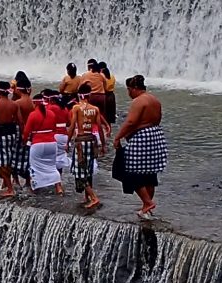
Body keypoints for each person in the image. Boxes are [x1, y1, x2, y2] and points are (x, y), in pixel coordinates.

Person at [111, 75, 167, 220]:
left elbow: (131, 122)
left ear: (134, 88)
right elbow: (158, 119)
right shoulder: (155, 100)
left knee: (128, 170)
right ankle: (145, 209)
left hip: (141, 137)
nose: (128, 93)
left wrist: (118, 137)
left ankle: (148, 203)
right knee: (149, 173)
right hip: (156, 135)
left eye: (128, 90)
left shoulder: (139, 101)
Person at [68, 85, 105, 209]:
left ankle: (94, 197)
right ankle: (87, 196)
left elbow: (73, 126)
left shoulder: (77, 108)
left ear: (79, 95)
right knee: (88, 170)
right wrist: (103, 145)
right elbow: (99, 128)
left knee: (79, 170)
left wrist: (67, 142)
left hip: (81, 141)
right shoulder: (95, 109)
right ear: (89, 95)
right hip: (91, 141)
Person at [24, 91, 64, 195]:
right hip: (52, 143)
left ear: (35, 103)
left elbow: (26, 132)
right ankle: (58, 187)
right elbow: (54, 129)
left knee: (35, 167)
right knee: (52, 166)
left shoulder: (33, 115)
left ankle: (35, 188)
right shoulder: (51, 113)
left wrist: (24, 142)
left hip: (37, 144)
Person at [0, 80, 25, 198]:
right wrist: (23, 135)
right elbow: (20, 122)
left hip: (1, 134)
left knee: (2, 162)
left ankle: (10, 188)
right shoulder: (14, 104)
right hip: (12, 134)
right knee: (9, 159)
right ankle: (7, 183)